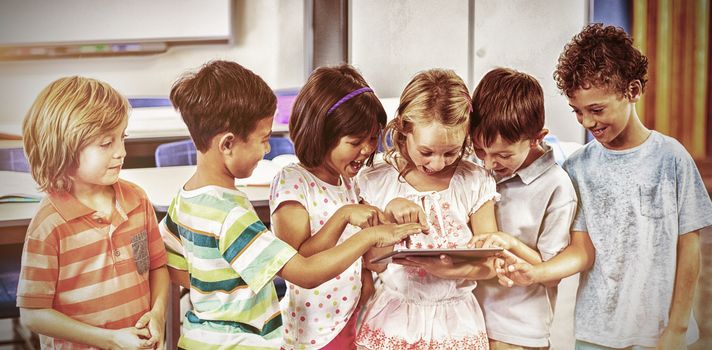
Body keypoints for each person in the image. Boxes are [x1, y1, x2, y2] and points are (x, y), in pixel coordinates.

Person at [159, 60, 421, 349]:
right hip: (241, 342)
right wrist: (367, 235)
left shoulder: (185, 199)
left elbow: (171, 265)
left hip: (201, 337)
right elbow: (304, 272)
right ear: (228, 144)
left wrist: (219, 293)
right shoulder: (232, 214)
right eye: (264, 139)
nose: (268, 149)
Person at [544, 23, 712, 349]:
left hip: (662, 334)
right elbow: (579, 249)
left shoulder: (672, 159)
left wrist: (677, 328)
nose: (588, 122)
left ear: (632, 91)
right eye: (577, 112)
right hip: (595, 334)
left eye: (596, 109)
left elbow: (689, 250)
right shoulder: (577, 168)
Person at [18, 76, 169, 349]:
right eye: (105, 143)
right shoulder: (50, 225)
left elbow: (156, 266)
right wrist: (110, 340)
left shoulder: (137, 201)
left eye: (122, 138)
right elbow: (33, 314)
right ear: (64, 147)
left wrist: (157, 315)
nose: (121, 152)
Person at [354, 68, 498, 349]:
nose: (437, 164)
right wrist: (388, 218)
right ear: (404, 131)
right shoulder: (376, 179)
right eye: (426, 152)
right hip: (394, 318)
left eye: (451, 152)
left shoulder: (474, 180)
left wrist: (450, 271)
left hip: (456, 321)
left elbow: (490, 263)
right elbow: (371, 262)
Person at [270, 64, 406, 349]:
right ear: (321, 133)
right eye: (355, 141)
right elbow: (297, 261)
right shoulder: (293, 181)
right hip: (313, 332)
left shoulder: (348, 182)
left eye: (372, 138)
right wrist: (342, 217)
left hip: (348, 319)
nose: (368, 149)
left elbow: (370, 253)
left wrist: (391, 221)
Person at [468, 67, 578, 350]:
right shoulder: (476, 172)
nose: (490, 164)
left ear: (537, 137)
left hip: (518, 333)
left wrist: (507, 243)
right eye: (481, 151)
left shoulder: (557, 186)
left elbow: (551, 272)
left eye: (503, 155)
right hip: (467, 321)